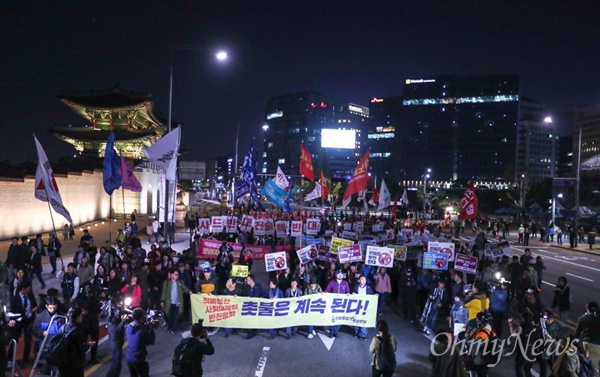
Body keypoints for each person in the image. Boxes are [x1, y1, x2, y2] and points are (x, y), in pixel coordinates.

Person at [32, 297, 64, 375]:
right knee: (47, 364)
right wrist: (42, 332)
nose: (52, 309)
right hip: (45, 344)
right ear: (46, 306)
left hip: (57, 344)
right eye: (50, 307)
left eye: (54, 307)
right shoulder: (40, 317)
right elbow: (35, 330)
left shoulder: (61, 316)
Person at [58, 307, 94, 377]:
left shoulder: (63, 327)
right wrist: (89, 345)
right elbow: (81, 348)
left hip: (63, 361)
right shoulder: (78, 330)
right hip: (75, 363)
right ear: (78, 317)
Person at [9, 281, 38, 365]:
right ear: (23, 288)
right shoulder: (15, 298)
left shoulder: (30, 296)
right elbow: (12, 311)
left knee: (28, 341)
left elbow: (35, 305)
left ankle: (26, 359)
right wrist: (12, 320)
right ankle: (9, 359)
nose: (30, 290)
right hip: (19, 322)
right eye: (29, 288)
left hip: (29, 321)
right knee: (15, 340)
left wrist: (35, 309)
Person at [125, 307, 156, 377]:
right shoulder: (142, 331)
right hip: (139, 359)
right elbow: (151, 341)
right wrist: (151, 329)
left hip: (129, 358)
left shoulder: (129, 327)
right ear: (141, 318)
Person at [161, 269, 191, 333]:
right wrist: (162, 300)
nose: (177, 276)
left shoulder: (180, 282)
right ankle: (170, 326)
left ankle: (174, 329)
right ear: (171, 275)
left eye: (177, 274)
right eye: (176, 274)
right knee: (168, 315)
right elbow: (164, 292)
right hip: (169, 302)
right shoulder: (166, 282)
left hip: (177, 302)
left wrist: (189, 291)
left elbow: (184, 288)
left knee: (176, 316)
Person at [574, 301, 600, 376]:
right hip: (596, 343)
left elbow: (577, 332)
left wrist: (574, 343)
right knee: (594, 368)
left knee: (592, 365)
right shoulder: (597, 318)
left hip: (587, 343)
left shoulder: (583, 318)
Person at [325, 269, 351, 338]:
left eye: (341, 274)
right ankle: (331, 331)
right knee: (332, 317)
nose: (340, 275)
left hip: (341, 303)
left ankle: (336, 331)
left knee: (339, 318)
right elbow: (327, 290)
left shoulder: (345, 283)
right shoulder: (331, 282)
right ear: (336, 275)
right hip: (333, 303)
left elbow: (348, 291)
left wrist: (348, 294)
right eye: (338, 274)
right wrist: (324, 294)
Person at [242, 274, 264, 339]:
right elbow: (243, 295)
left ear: (252, 280)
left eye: (248, 279)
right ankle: (249, 333)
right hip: (248, 306)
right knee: (249, 320)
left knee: (255, 319)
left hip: (256, 306)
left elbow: (262, 294)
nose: (247, 281)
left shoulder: (258, 286)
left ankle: (254, 331)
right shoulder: (246, 287)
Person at [353, 275, 374, 340]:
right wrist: (353, 294)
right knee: (357, 319)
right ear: (359, 280)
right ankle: (356, 332)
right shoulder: (356, 287)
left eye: (365, 280)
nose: (364, 281)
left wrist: (375, 296)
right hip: (358, 306)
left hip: (365, 306)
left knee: (364, 320)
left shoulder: (368, 288)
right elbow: (353, 293)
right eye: (362, 279)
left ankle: (363, 335)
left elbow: (371, 296)